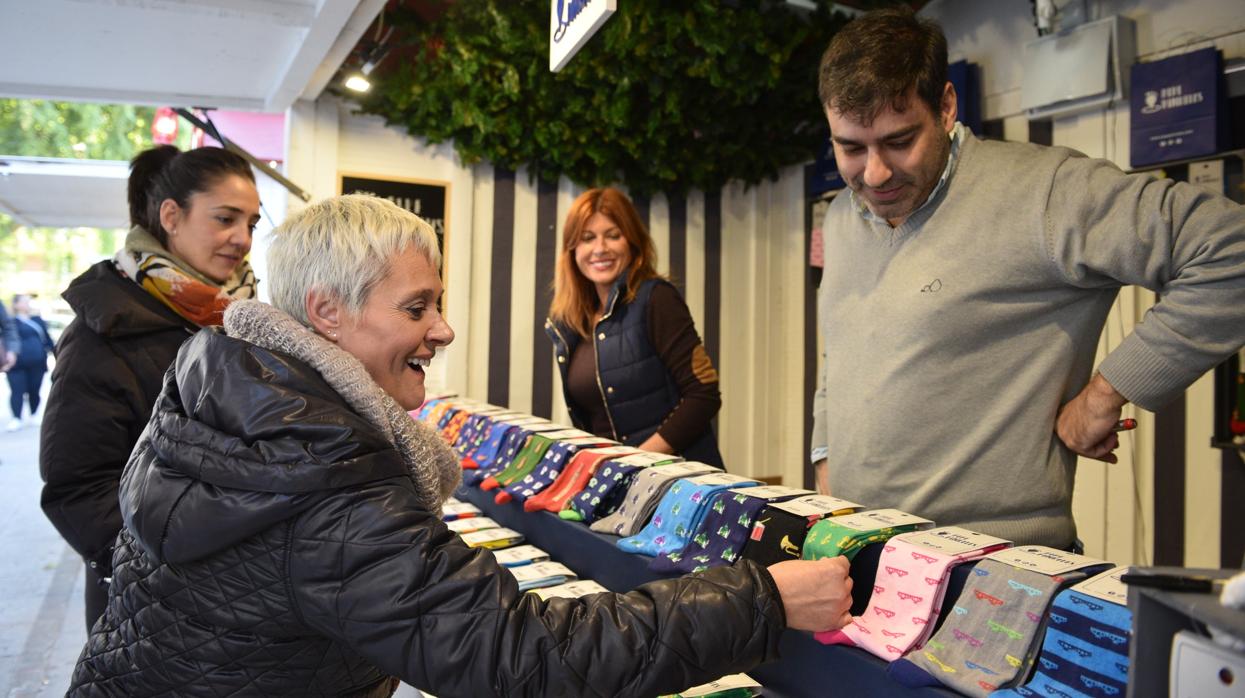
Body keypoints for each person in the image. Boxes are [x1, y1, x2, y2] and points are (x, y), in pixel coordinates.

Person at [68, 195, 854, 697]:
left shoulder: (226, 395)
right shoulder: (325, 473)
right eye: (417, 308)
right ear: (327, 315)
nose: (442, 331)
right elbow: (520, 657)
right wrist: (762, 599)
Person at [809, 8, 1245, 549]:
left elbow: (1231, 249)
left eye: (899, 141)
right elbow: (840, 350)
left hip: (990, 569)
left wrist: (1108, 392)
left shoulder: (1046, 193)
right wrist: (825, 456)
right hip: (856, 550)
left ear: (946, 107)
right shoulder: (842, 215)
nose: (874, 173)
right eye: (851, 147)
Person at [40, 145, 260, 631]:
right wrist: (172, 576)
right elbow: (78, 489)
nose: (242, 239)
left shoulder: (239, 320)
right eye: (225, 218)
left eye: (252, 223)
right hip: (154, 609)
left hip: (241, 603)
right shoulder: (105, 330)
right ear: (171, 216)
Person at [545, 187, 725, 467]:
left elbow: (703, 395)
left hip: (675, 482)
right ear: (572, 248)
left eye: (613, 235)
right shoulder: (568, 322)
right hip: (615, 481)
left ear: (632, 241)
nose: (600, 249)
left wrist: (637, 462)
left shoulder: (657, 298)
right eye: (587, 238)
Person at [5, 294, 55, 431]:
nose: (28, 304)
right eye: (25, 302)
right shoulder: (9, 322)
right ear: (16, 304)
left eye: (28, 302)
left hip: (37, 362)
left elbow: (47, 339)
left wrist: (57, 354)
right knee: (17, 390)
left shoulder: (37, 320)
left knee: (34, 390)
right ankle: (17, 418)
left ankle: (34, 414)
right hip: (16, 363)